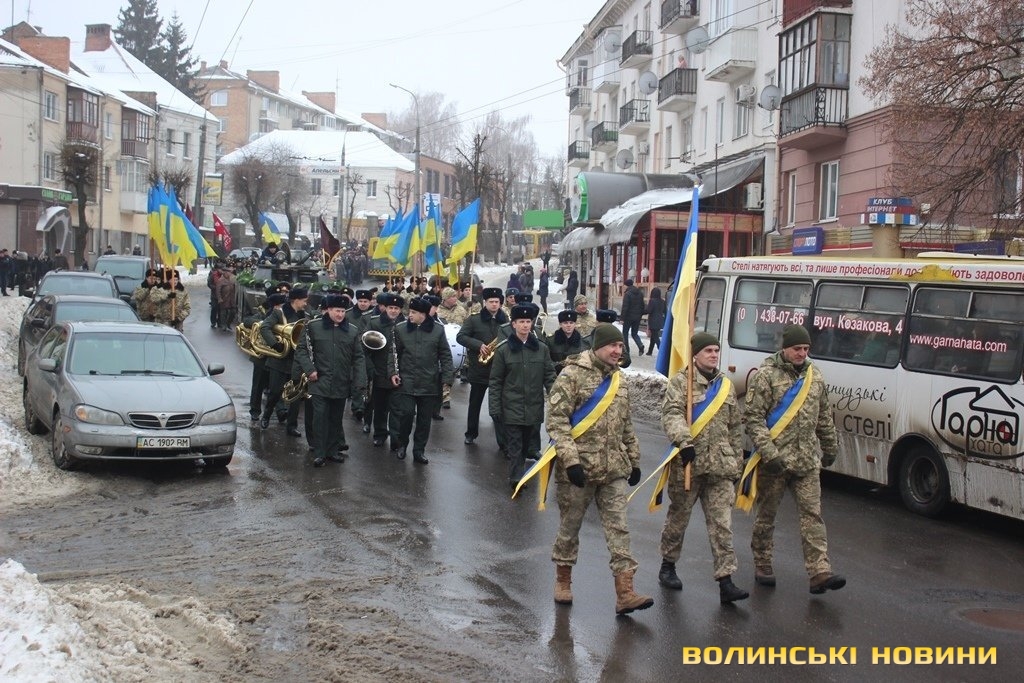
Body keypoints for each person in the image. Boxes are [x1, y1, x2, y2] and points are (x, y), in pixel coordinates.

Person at [548, 323, 653, 615]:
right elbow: (557, 422)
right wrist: (571, 461)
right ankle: (563, 580)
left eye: (621, 346)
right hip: (578, 471)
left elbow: (626, 425)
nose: (618, 351)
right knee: (570, 528)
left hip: (613, 469)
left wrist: (634, 460)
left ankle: (625, 593)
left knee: (619, 529)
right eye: (613, 346)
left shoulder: (620, 380)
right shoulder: (572, 375)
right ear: (598, 347)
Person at [745, 324, 845, 595]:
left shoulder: (815, 376)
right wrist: (769, 453)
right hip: (775, 462)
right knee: (766, 516)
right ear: (785, 349)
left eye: (806, 348)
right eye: (797, 348)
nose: (802, 353)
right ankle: (763, 563)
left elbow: (823, 416)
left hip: (806, 461)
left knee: (813, 516)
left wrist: (830, 447)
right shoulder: (766, 376)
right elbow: (753, 419)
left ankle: (819, 571)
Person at [657, 332, 749, 603]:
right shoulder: (681, 383)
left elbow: (735, 427)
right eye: (708, 350)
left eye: (716, 350)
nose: (713, 355)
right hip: (689, 464)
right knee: (679, 518)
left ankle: (726, 580)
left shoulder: (725, 386)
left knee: (722, 525)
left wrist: (736, 463)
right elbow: (671, 415)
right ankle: (668, 565)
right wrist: (684, 442)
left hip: (720, 467)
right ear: (695, 354)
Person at [489, 303, 556, 490]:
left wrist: (557, 400)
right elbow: (495, 381)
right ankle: (516, 477)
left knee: (527, 444)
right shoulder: (503, 350)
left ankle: (520, 473)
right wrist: (494, 407)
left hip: (533, 405)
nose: (525, 325)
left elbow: (549, 376)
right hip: (511, 406)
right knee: (515, 444)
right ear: (514, 324)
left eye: (528, 321)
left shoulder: (541, 349)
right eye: (521, 322)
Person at [296, 294, 366, 467]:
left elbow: (358, 357)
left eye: (343, 311)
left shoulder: (352, 330)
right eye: (337, 311)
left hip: (341, 382)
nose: (340, 314)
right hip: (319, 380)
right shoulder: (313, 326)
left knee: (335, 419)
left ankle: (333, 451)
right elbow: (301, 350)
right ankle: (319, 453)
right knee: (319, 418)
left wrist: (360, 380)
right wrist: (310, 370)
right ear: (328, 310)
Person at [388, 297, 454, 464]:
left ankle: (419, 450)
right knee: (406, 415)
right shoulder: (401, 329)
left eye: (413, 312)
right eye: (409, 312)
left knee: (424, 421)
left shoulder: (438, 330)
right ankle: (402, 444)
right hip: (407, 381)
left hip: (429, 382)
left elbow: (445, 355)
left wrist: (447, 378)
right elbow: (393, 354)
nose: (409, 315)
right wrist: (393, 373)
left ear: (423, 314)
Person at [457, 287, 510, 453]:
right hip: (479, 368)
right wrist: (478, 345)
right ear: (485, 302)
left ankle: (503, 442)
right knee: (475, 403)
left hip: (500, 370)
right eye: (491, 302)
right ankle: (471, 433)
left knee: (500, 406)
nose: (494, 304)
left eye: (497, 302)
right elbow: (461, 337)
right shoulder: (474, 319)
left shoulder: (506, 320)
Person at [259, 288, 309, 435]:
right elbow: (264, 327)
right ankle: (266, 415)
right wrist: (275, 344)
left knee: (295, 395)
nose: (306, 304)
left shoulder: (305, 316)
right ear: (296, 300)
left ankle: (292, 426)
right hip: (279, 361)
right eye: (304, 301)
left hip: (296, 361)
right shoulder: (279, 313)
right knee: (275, 392)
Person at [363, 293, 405, 445]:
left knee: (396, 408)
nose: (393, 311)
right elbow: (364, 349)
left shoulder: (406, 325)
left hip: (399, 372)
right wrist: (371, 368)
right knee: (380, 406)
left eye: (396, 308)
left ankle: (396, 438)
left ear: (400, 310)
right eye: (391, 307)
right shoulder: (375, 323)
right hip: (379, 371)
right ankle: (380, 434)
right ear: (385, 308)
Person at [543, 310, 586, 374]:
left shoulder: (583, 342)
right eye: (565, 323)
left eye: (571, 323)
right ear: (560, 324)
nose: (569, 325)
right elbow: (545, 360)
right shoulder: (551, 341)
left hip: (575, 375)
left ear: (575, 324)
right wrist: (558, 365)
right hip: (556, 374)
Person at [620, 278, 646, 356]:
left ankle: (626, 350)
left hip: (628, 317)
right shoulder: (640, 293)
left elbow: (625, 307)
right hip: (637, 317)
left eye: (624, 285)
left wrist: (622, 318)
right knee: (634, 333)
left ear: (626, 285)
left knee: (625, 333)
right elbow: (642, 305)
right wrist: (640, 315)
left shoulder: (627, 294)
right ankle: (640, 345)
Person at [214, 265, 237, 330]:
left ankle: (228, 323)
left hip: (231, 299)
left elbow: (234, 287)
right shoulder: (220, 280)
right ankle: (223, 325)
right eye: (228, 272)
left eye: (230, 272)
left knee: (233, 312)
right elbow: (218, 290)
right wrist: (219, 298)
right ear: (225, 273)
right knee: (223, 313)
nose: (230, 274)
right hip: (224, 299)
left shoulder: (231, 279)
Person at [644, 287, 666, 356]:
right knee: (653, 336)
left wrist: (642, 311)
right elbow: (665, 310)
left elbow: (648, 310)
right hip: (660, 321)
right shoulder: (662, 301)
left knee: (655, 337)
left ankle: (662, 351)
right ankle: (650, 351)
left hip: (653, 321)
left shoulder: (652, 301)